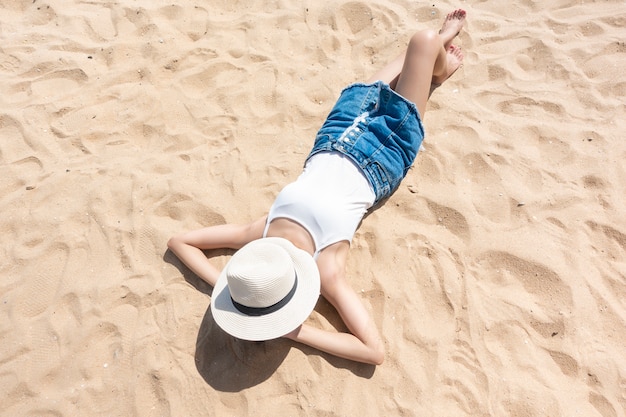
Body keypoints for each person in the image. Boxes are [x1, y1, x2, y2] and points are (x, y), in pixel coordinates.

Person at [168, 9, 467, 366]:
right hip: (383, 151)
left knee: (366, 89)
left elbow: (179, 242)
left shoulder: (259, 236)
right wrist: (295, 331)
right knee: (424, 41)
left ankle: (433, 66)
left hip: (335, 136)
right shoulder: (325, 269)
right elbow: (373, 351)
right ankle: (437, 67)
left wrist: (227, 286)